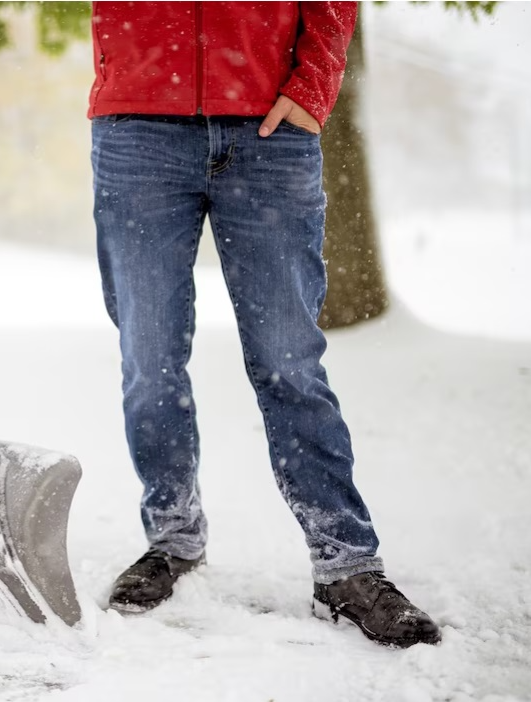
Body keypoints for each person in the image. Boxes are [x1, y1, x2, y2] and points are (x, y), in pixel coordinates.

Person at [89, 1, 440, 648]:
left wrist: (310, 90)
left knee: (288, 363)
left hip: (267, 131)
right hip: (138, 133)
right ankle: (172, 540)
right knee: (148, 358)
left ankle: (345, 565)